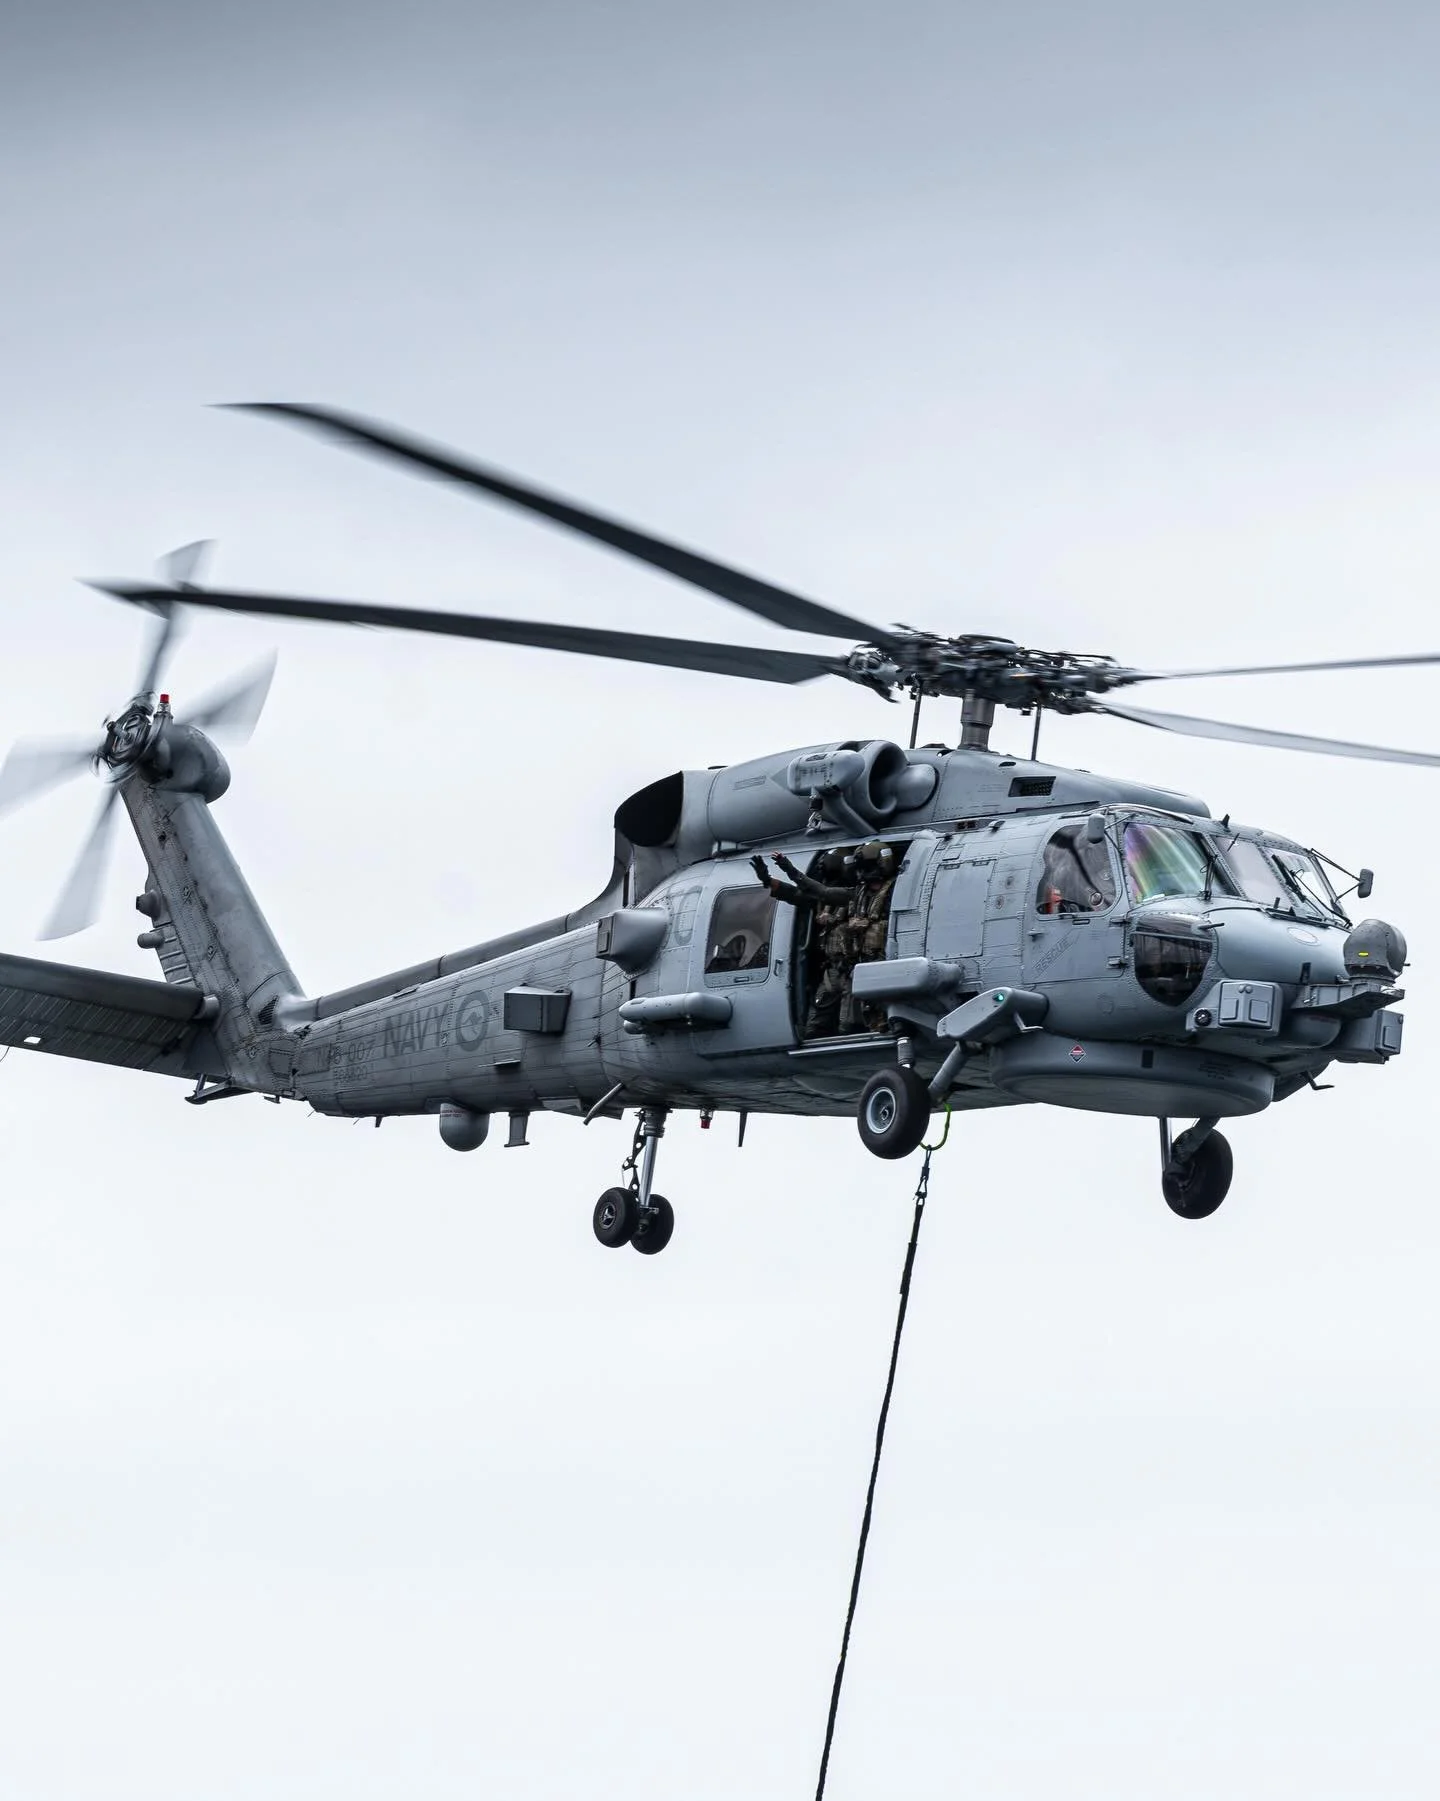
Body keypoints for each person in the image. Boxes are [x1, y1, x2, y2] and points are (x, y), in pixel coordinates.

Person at [750, 848, 858, 1037]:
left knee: (848, 1026)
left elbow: (821, 891)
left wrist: (787, 867)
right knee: (814, 1028)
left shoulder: (853, 896)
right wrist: (767, 880)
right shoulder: (823, 901)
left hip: (853, 970)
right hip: (833, 970)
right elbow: (795, 894)